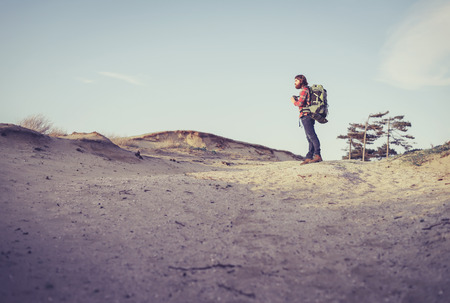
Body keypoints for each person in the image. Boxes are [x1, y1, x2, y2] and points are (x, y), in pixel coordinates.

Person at [291, 74, 322, 165]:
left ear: (301, 81)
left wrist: (294, 101)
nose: (295, 83)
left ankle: (317, 155)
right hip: (307, 115)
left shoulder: (304, 90)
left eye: (296, 81)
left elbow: (300, 103)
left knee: (312, 136)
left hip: (306, 115)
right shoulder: (306, 90)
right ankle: (309, 156)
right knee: (309, 137)